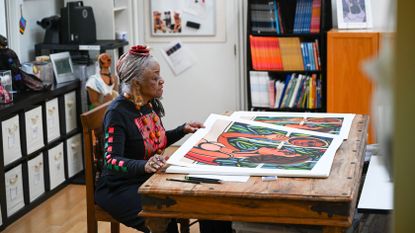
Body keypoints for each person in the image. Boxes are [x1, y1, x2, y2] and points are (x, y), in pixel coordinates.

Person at [94, 45, 204, 233]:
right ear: (136, 83)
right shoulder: (117, 113)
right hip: (119, 187)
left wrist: (182, 130)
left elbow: (152, 141)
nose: (161, 81)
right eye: (155, 77)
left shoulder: (147, 103)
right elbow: (111, 161)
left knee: (204, 201)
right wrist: (144, 166)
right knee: (162, 217)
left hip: (147, 178)